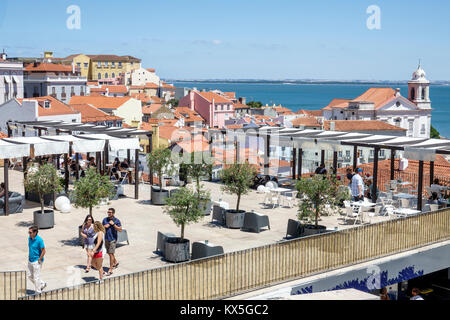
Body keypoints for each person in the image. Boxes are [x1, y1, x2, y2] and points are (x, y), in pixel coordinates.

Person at [102, 208, 122, 276]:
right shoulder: (105, 219)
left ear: (113, 213)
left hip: (113, 239)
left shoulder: (116, 220)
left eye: (110, 212)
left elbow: (120, 229)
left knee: (111, 253)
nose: (109, 213)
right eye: (108, 212)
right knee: (109, 253)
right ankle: (115, 262)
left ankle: (110, 269)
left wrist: (113, 225)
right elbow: (101, 227)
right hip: (106, 238)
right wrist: (105, 226)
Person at [27, 226, 47, 293]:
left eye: (30, 232)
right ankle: (42, 284)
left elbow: (44, 251)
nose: (29, 233)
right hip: (30, 260)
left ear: (35, 232)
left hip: (37, 261)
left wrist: (39, 259)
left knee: (36, 277)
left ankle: (38, 292)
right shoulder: (29, 238)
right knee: (30, 276)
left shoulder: (39, 240)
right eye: (28, 232)